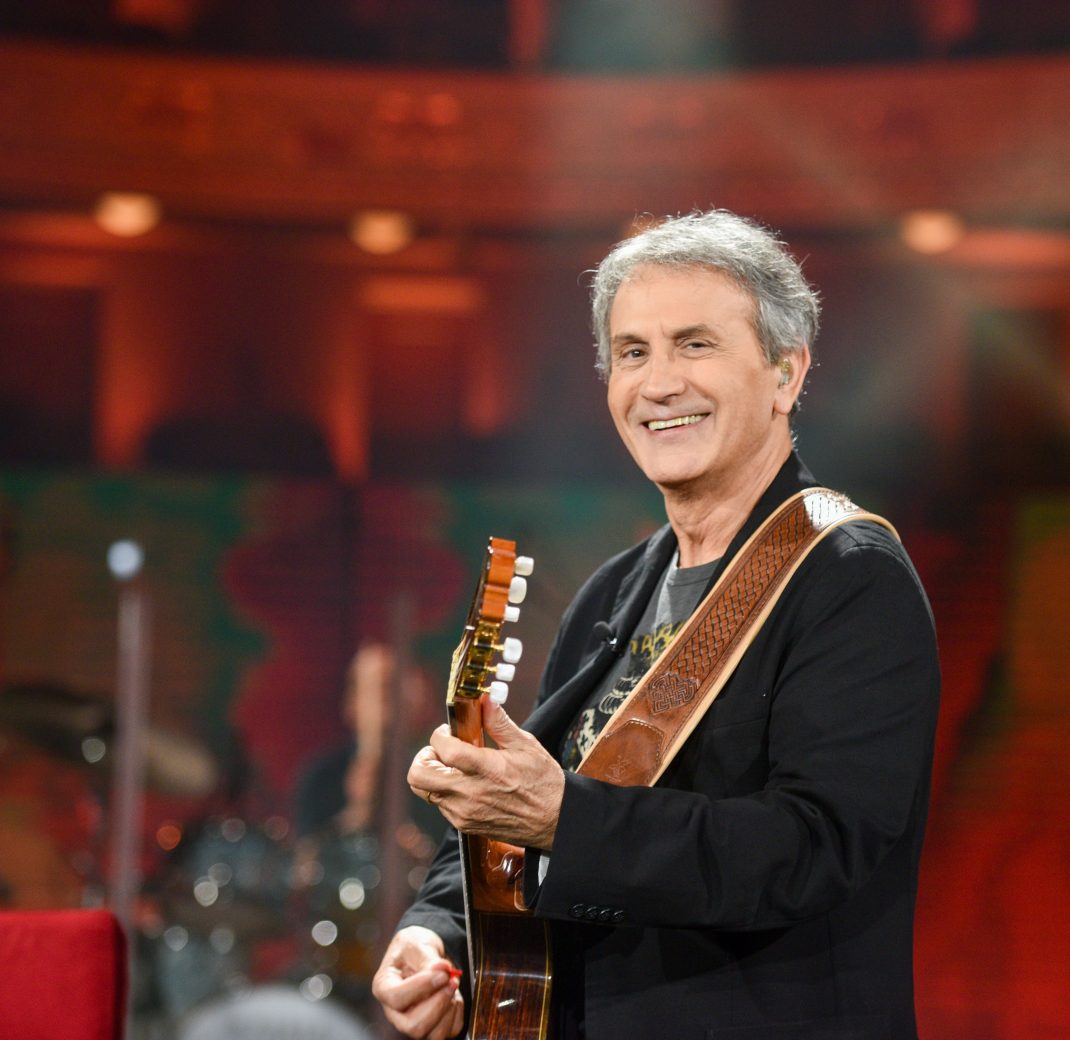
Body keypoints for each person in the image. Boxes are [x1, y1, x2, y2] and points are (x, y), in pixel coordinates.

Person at [369, 210, 941, 1039]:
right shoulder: (611, 593)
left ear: (785, 374)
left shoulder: (850, 577)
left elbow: (813, 847)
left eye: (695, 345)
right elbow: (521, 812)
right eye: (633, 353)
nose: (660, 383)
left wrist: (566, 819)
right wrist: (436, 934)